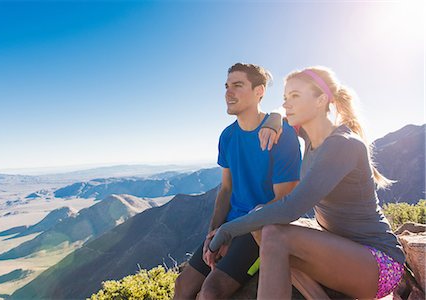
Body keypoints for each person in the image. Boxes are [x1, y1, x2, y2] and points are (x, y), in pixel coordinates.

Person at [207, 66, 406, 299]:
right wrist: (273, 119)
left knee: (274, 234)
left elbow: (291, 208)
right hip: (342, 251)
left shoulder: (342, 144)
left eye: (295, 96)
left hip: (380, 263)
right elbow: (280, 112)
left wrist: (227, 230)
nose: (287, 103)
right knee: (263, 219)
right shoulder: (309, 137)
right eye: (285, 97)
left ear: (321, 100)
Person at [173, 63, 302, 299]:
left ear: (259, 91)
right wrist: (214, 232)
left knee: (210, 293)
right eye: (226, 86)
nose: (228, 93)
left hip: (262, 230)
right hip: (229, 227)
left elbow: (284, 199)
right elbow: (226, 189)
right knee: (182, 285)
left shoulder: (282, 135)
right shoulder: (228, 136)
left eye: (238, 85)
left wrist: (235, 232)